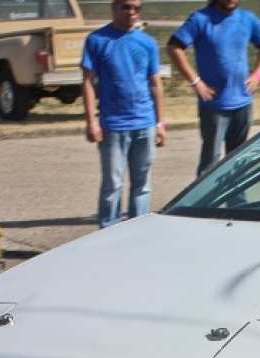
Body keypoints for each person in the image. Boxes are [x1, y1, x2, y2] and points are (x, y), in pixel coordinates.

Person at [81, 0, 167, 228]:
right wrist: (91, 121)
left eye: (136, 8)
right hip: (113, 124)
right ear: (114, 7)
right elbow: (88, 82)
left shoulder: (147, 43)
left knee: (142, 184)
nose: (131, 12)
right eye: (126, 7)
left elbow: (156, 83)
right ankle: (109, 229)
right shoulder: (97, 40)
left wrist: (160, 123)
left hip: (144, 122)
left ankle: (138, 230)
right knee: (112, 184)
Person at [167, 0, 260, 176]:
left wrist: (258, 73)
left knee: (238, 160)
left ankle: (237, 202)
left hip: (242, 102)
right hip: (214, 104)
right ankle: (203, 202)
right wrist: (196, 82)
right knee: (210, 162)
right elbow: (174, 47)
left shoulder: (247, 18)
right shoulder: (200, 19)